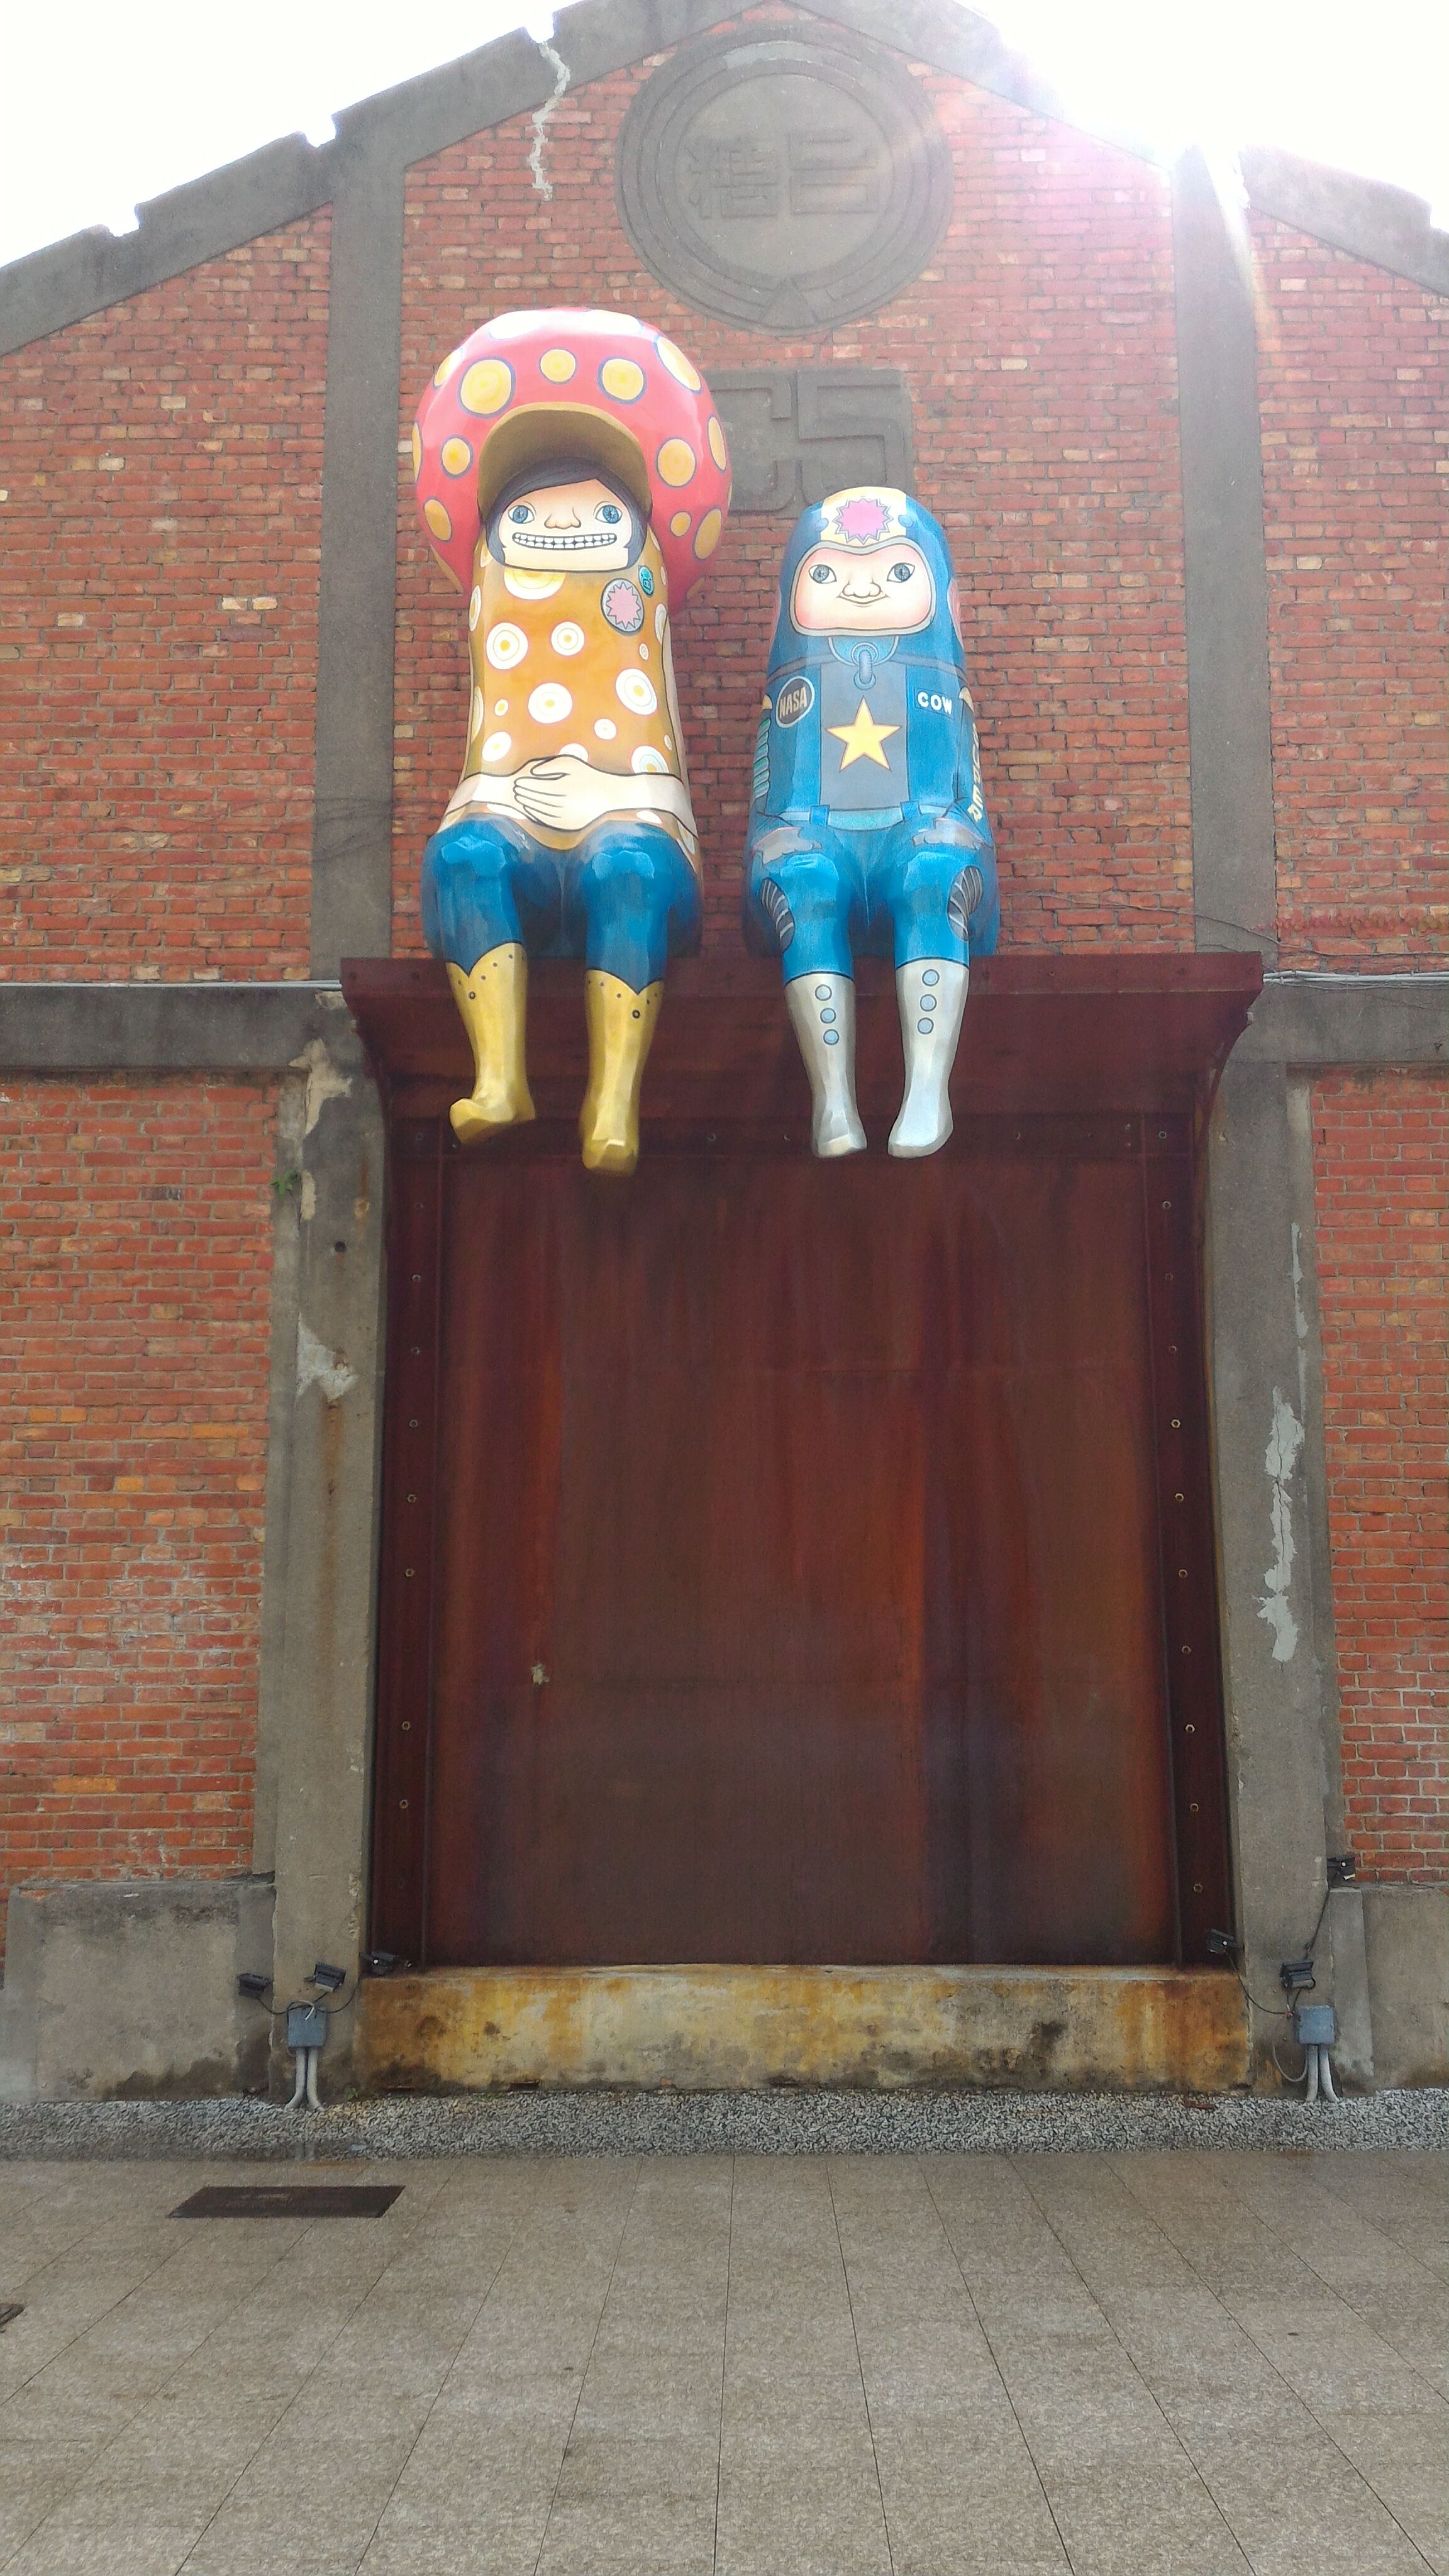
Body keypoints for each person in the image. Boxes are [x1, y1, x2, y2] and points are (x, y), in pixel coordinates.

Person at [423, 445, 701, 1174]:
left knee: (628, 868)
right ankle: (499, 1080)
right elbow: (481, 773)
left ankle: (613, 1103)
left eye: (600, 512)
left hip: (632, 818)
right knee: (463, 856)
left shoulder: (639, 630)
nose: (566, 523)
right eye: (530, 513)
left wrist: (606, 795)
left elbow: (666, 765)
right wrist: (502, 801)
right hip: (508, 813)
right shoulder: (499, 635)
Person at [743, 486, 999, 1158]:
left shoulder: (938, 683)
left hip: (919, 825)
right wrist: (774, 838)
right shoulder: (793, 689)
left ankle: (928, 1090)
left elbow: (961, 779)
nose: (863, 589)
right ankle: (832, 1100)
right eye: (828, 574)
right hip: (814, 829)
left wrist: (959, 825)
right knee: (804, 882)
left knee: (935, 873)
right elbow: (774, 782)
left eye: (898, 571)